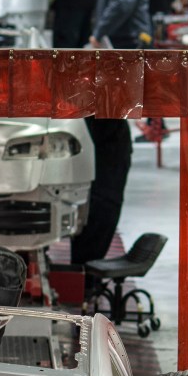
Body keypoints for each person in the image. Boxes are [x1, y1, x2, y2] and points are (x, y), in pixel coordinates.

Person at [70, 117, 133, 272]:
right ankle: (84, 272)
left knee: (102, 206)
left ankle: (86, 274)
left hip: (106, 134)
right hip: (94, 128)